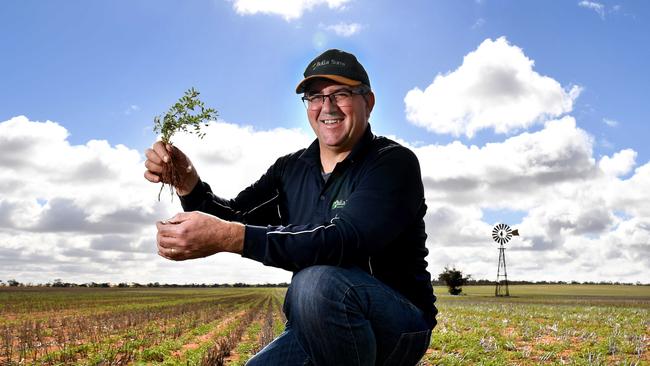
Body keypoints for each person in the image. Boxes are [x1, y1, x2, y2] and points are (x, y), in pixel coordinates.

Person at [144, 49, 437, 365]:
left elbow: (344, 240)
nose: (327, 107)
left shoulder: (392, 163)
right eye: (315, 97)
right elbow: (235, 217)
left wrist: (230, 237)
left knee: (316, 282)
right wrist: (188, 182)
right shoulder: (291, 168)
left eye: (341, 94)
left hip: (398, 325)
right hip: (320, 325)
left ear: (369, 101)